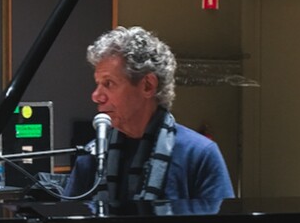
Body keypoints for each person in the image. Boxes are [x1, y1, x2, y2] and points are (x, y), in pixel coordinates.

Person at [64, 26, 234, 203]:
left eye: (108, 83)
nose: (96, 96)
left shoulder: (199, 155)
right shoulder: (92, 157)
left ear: (148, 86)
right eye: (97, 84)